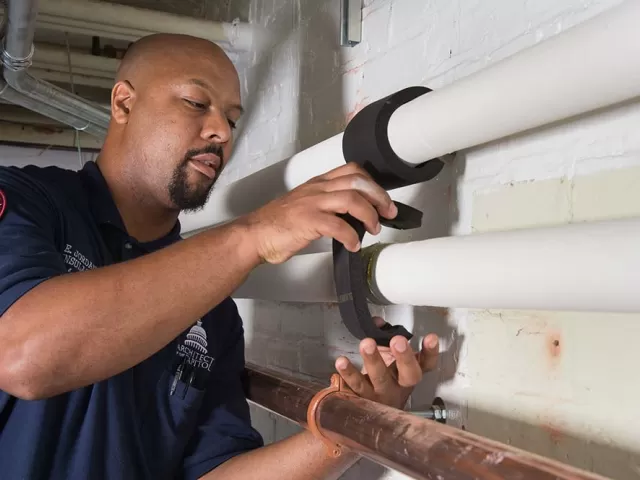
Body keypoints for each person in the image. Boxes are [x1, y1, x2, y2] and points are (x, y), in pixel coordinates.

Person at [0, 34, 439, 479]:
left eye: (231, 118)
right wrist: (252, 234)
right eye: (196, 103)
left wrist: (353, 431)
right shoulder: (28, 202)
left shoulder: (213, 316)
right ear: (124, 104)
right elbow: (21, 355)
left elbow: (215, 472)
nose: (222, 132)